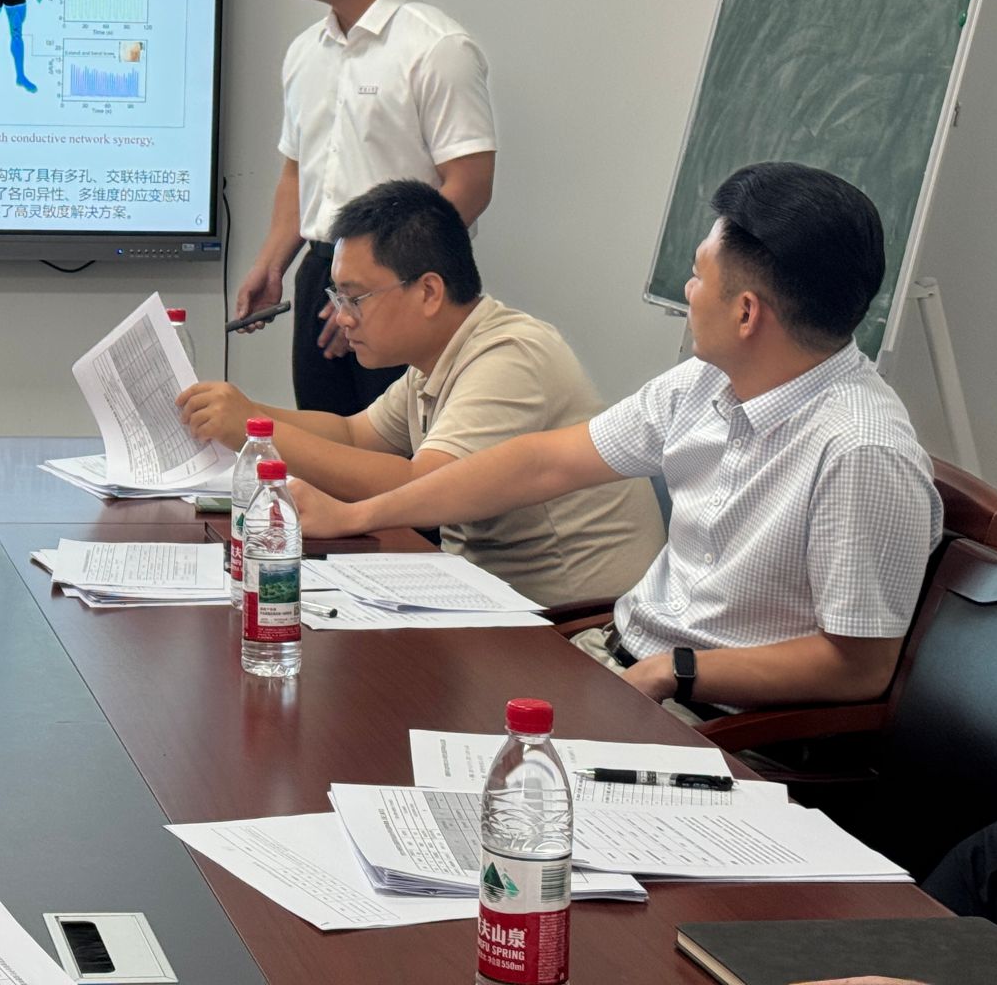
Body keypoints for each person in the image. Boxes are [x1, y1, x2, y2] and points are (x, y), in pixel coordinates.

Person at [293, 162, 940, 724]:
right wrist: (356, 515)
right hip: (617, 660)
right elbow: (541, 463)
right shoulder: (704, 383)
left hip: (708, 718)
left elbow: (859, 666)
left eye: (697, 276)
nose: (686, 291)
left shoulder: (861, 450)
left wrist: (675, 672)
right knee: (379, 695)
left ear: (746, 313)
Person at [180, 180, 662, 609]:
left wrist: (255, 432)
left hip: (571, 622)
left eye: (355, 298)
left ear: (429, 291)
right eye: (337, 298)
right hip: (490, 597)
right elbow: (353, 433)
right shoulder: (434, 360)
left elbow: (421, 482)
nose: (342, 317)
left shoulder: (510, 356)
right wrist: (244, 413)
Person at [233, 0, 496, 416]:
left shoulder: (437, 47)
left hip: (404, 288)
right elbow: (298, 171)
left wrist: (375, 284)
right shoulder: (304, 52)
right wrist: (272, 264)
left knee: (399, 455)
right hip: (320, 276)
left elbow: (471, 184)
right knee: (325, 439)